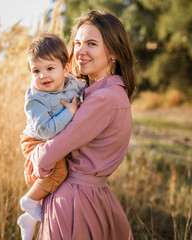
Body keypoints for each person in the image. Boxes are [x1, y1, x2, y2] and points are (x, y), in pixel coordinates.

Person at [24, 10, 136, 239]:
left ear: (113, 51)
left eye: (91, 43)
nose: (79, 51)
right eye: (76, 43)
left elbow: (46, 157)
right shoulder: (108, 92)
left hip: (74, 202)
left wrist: (34, 159)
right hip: (90, 196)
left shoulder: (103, 99)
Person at [17, 34, 86, 240]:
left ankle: (29, 218)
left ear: (65, 69)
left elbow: (87, 91)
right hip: (35, 140)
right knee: (58, 171)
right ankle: (29, 201)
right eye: (36, 71)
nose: (43, 76)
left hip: (49, 141)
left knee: (56, 173)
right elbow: (46, 131)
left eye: (49, 68)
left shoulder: (72, 83)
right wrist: (70, 112)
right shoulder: (35, 99)